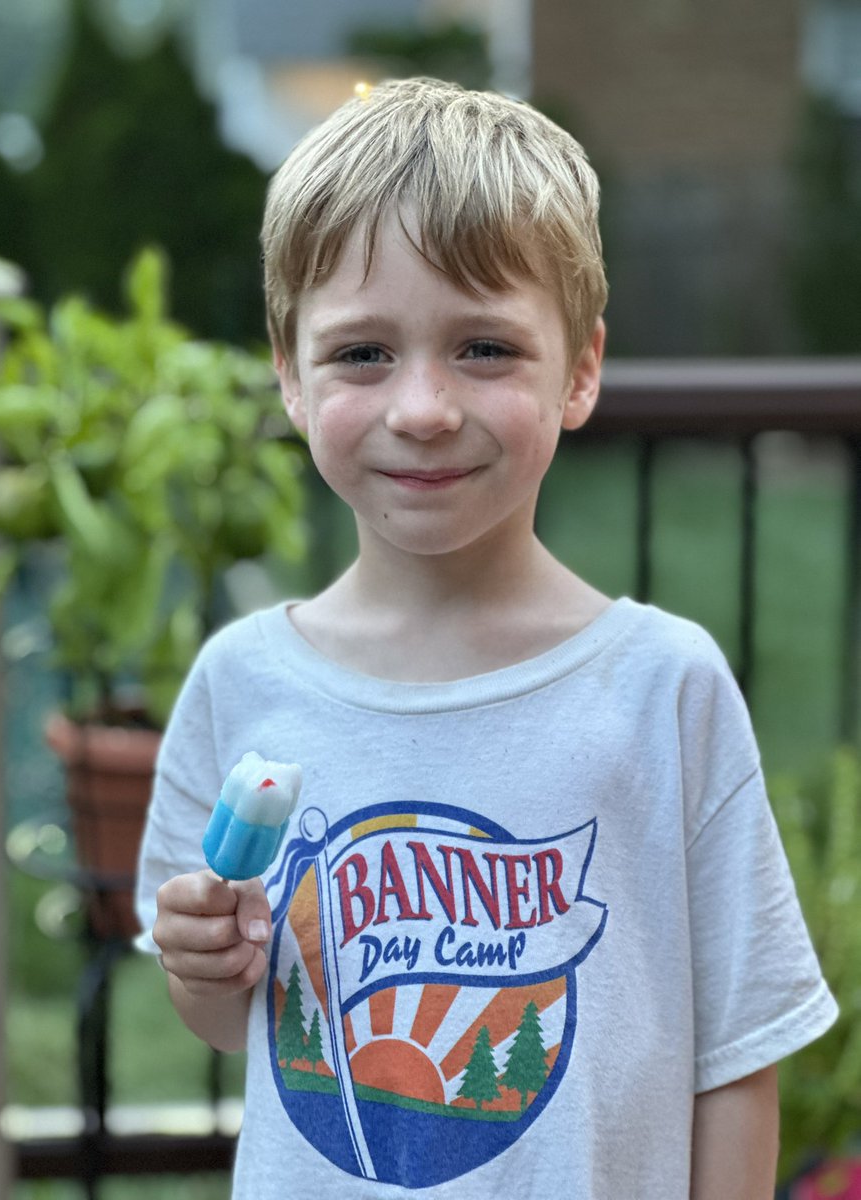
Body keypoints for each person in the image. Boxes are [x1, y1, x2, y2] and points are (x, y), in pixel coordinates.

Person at [136, 77, 837, 1198]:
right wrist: (205, 960)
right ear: (288, 373)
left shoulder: (663, 688)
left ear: (582, 369)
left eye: (484, 349)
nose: (422, 406)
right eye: (362, 354)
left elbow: (738, 1057)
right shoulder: (242, 683)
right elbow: (227, 1026)